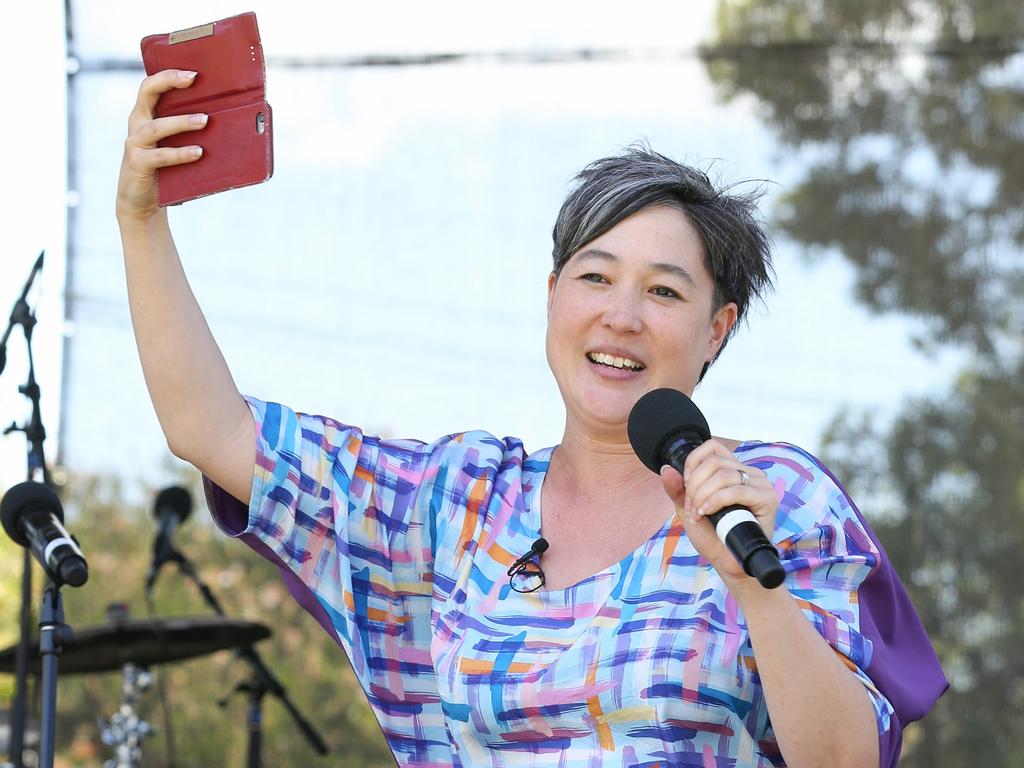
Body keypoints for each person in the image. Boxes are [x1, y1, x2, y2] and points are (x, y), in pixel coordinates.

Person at [117, 70, 947, 767]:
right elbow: (213, 431)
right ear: (552, 300)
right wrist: (141, 220)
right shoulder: (457, 499)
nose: (621, 316)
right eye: (595, 278)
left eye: (663, 290)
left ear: (716, 330)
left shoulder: (772, 497)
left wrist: (756, 592)